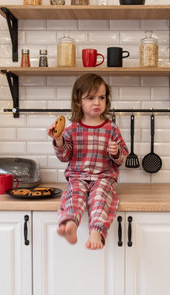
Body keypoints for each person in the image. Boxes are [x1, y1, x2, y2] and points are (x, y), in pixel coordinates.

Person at [48, 73, 128, 250]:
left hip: (103, 177)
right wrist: (59, 140)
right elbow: (64, 156)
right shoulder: (72, 129)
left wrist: (116, 153)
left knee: (101, 196)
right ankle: (70, 225)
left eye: (101, 97)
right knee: (74, 195)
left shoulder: (112, 129)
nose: (97, 102)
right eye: (90, 98)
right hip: (78, 176)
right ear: (78, 101)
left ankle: (96, 231)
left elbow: (123, 157)